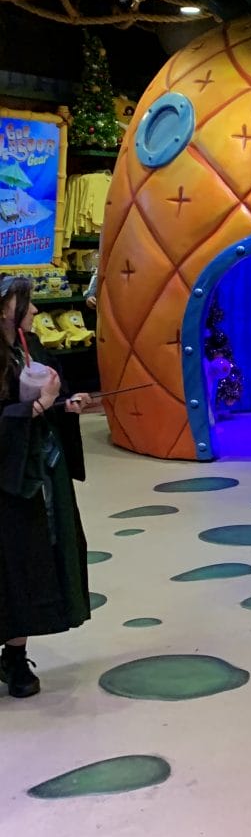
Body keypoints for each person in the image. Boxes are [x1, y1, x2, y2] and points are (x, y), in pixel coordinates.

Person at [0, 272, 94, 697]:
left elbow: (52, 394)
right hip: (6, 480)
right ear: (4, 309)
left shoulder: (30, 345)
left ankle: (15, 656)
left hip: (36, 475)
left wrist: (65, 404)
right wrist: (36, 407)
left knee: (31, 561)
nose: (35, 310)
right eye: (25, 302)